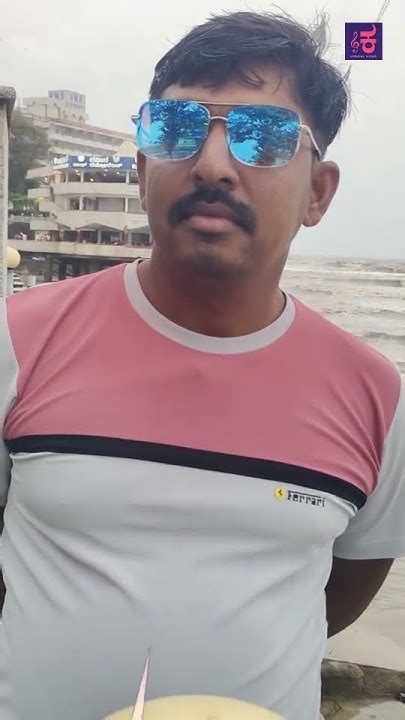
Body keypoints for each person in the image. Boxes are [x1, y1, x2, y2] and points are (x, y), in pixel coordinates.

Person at [0, 9, 404, 720]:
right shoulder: (18, 339)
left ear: (317, 191)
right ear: (142, 167)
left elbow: (343, 590)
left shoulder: (375, 395)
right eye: (176, 127)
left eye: (263, 136)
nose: (213, 164)